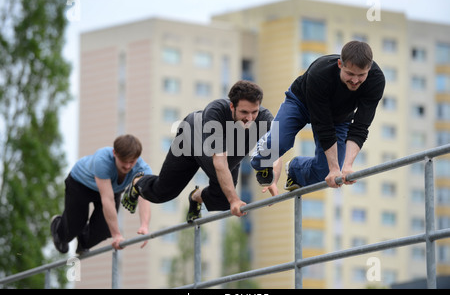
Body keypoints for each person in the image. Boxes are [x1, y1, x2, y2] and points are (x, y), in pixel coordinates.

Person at [121, 80, 281, 221]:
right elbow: (219, 162)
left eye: (254, 112)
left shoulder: (265, 119)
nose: (250, 118)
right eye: (244, 112)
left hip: (226, 156)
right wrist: (234, 199)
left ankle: (196, 197)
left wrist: (273, 179)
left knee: (224, 200)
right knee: (163, 192)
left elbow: (275, 153)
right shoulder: (216, 111)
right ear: (232, 106)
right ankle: (137, 183)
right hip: (190, 140)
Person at [251, 41, 386, 190]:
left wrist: (346, 166)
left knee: (327, 171)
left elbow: (360, 126)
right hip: (300, 103)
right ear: (340, 64)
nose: (355, 81)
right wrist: (335, 167)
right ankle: (260, 158)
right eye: (350, 74)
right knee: (279, 143)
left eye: (361, 75)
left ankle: (296, 170)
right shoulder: (320, 72)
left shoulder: (376, 80)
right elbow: (323, 125)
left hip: (339, 118)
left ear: (369, 69)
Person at [51, 134, 152, 254]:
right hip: (80, 184)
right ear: (115, 153)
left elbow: (144, 197)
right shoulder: (102, 160)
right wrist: (117, 235)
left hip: (111, 190)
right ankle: (58, 227)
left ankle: (83, 242)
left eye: (132, 162)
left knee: (104, 230)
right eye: (123, 161)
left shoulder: (142, 170)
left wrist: (144, 226)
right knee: (74, 227)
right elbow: (107, 199)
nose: (127, 166)